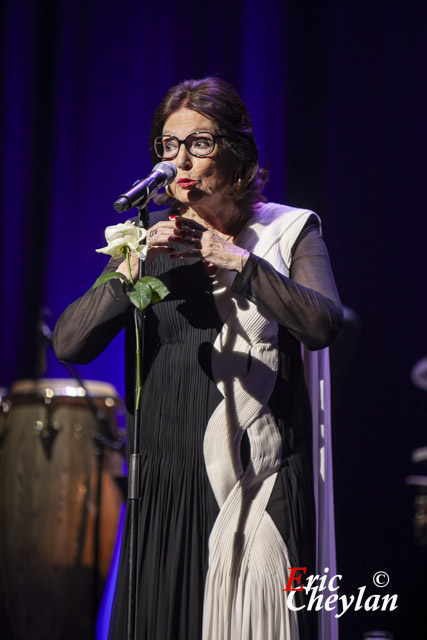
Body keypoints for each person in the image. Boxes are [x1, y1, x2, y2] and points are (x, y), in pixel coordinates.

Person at [53, 77, 342, 640]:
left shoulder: (285, 232)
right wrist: (126, 272)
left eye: (199, 143)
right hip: (165, 489)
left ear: (235, 152)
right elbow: (70, 343)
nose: (179, 160)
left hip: (256, 481)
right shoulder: (146, 243)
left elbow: (321, 324)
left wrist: (242, 262)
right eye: (167, 145)